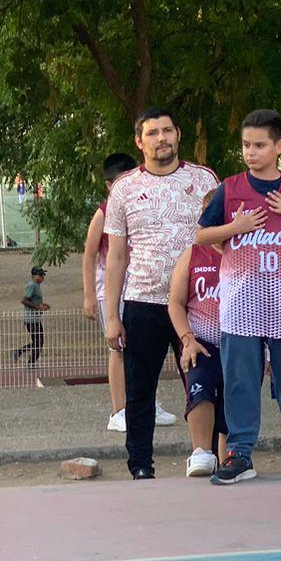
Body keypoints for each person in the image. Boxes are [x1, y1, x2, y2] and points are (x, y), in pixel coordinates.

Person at [195, 110, 281, 485]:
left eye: (260, 145)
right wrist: (235, 227)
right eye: (246, 145)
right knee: (240, 380)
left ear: (279, 146)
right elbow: (201, 235)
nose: (251, 152)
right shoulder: (230, 189)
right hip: (241, 302)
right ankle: (240, 452)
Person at [105, 107, 219, 479]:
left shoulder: (204, 180)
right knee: (140, 392)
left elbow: (220, 236)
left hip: (199, 303)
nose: (161, 139)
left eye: (167, 130)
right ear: (140, 142)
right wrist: (112, 315)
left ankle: (210, 456)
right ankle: (140, 466)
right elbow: (117, 255)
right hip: (143, 302)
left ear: (178, 134)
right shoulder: (124, 188)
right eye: (152, 133)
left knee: (204, 383)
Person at [85, 152, 176, 434]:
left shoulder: (141, 205)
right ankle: (118, 410)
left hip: (137, 286)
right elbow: (89, 255)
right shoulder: (103, 212)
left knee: (143, 348)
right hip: (109, 288)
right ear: (109, 185)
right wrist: (89, 294)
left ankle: (145, 403)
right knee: (118, 348)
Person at [167, 227, 227, 477]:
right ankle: (201, 451)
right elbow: (176, 302)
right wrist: (187, 339)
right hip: (201, 339)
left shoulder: (246, 253)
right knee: (200, 385)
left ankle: (231, 456)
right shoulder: (193, 255)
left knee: (234, 400)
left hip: (238, 341)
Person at [12, 268, 50, 367]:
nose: (42, 277)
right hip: (31, 319)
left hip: (35, 318)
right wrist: (38, 307)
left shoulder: (36, 286)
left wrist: (42, 305)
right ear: (34, 276)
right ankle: (23, 356)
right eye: (40, 275)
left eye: (43, 275)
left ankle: (31, 361)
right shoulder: (32, 285)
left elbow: (34, 301)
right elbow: (24, 300)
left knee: (38, 342)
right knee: (39, 342)